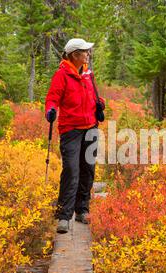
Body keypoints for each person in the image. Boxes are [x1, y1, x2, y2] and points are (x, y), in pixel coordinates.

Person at [45, 38, 105, 234]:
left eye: (88, 51)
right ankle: (63, 216)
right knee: (71, 169)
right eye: (85, 51)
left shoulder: (88, 74)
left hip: (90, 127)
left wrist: (99, 102)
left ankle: (82, 210)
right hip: (71, 130)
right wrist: (50, 111)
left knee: (87, 169)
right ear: (74, 55)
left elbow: (92, 96)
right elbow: (52, 98)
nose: (88, 54)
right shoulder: (61, 75)